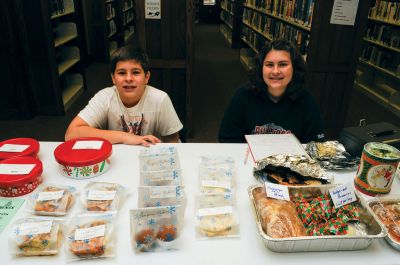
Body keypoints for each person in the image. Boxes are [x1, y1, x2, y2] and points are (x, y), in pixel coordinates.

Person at [65, 46, 183, 146]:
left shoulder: (160, 99)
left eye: (136, 72)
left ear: (146, 77)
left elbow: (173, 140)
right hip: (117, 157)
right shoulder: (104, 97)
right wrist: (125, 137)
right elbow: (71, 134)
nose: (128, 78)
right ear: (113, 78)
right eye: (121, 73)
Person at [218, 38, 324, 143]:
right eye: (269, 65)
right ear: (261, 68)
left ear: (294, 68)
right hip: (251, 157)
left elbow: (315, 143)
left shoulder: (306, 99)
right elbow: (227, 138)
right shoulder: (243, 95)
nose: (276, 71)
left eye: (283, 64)